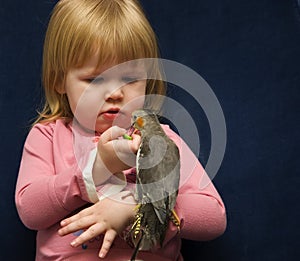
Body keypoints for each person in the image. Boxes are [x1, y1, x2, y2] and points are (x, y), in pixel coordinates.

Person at [15, 0, 227, 260]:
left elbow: (214, 216)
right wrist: (95, 171)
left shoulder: (161, 141)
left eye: (129, 79)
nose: (115, 93)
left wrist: (139, 208)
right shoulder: (48, 136)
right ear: (60, 80)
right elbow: (30, 211)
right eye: (94, 79)